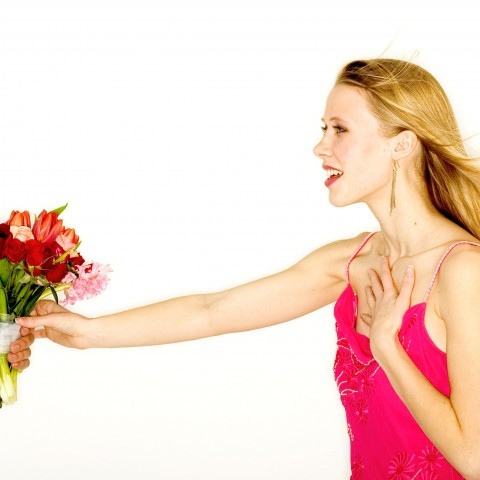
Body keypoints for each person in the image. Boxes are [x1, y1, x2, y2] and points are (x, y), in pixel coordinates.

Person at [16, 58, 480, 479]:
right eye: (323, 128)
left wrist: (387, 347)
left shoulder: (463, 272)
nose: (320, 147)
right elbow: (211, 311)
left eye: (340, 129)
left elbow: (473, 459)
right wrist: (87, 332)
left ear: (401, 145)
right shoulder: (350, 261)